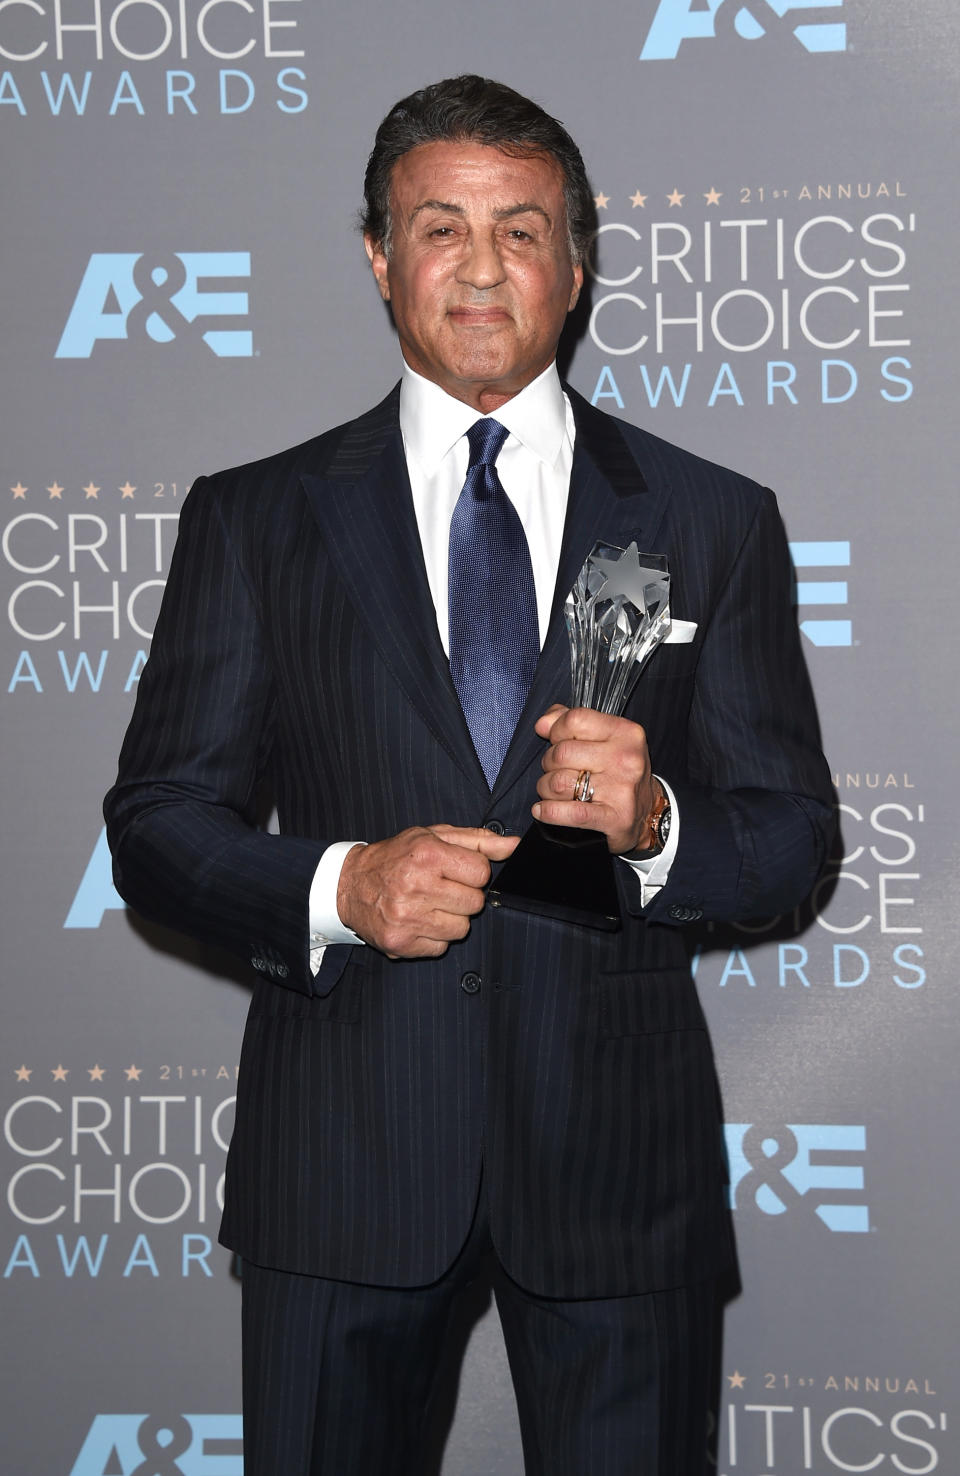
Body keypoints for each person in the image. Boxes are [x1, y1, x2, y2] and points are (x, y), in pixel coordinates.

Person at [104, 74, 834, 1476]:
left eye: (522, 228)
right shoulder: (256, 519)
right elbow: (155, 827)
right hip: (344, 1168)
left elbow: (794, 841)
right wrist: (338, 885)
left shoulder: (711, 517)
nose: (484, 267)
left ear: (579, 257)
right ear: (380, 259)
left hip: (618, 1175)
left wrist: (663, 824)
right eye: (442, 228)